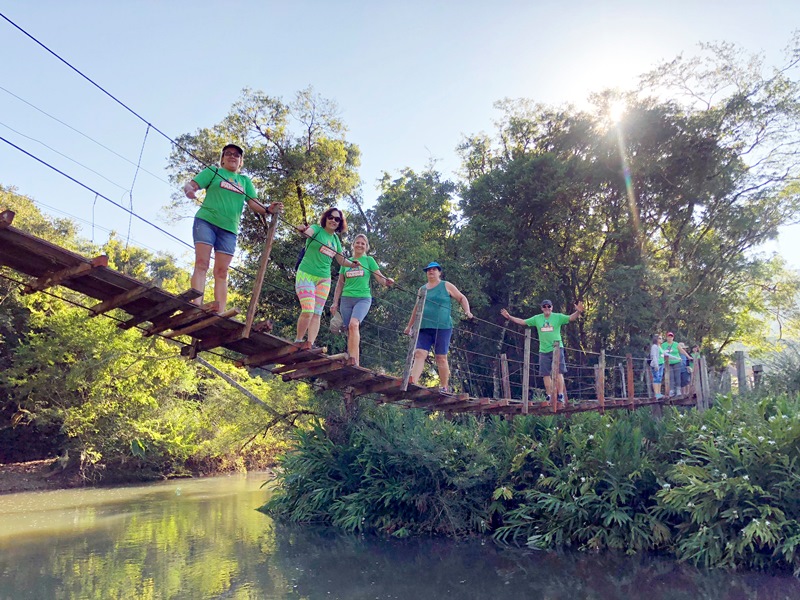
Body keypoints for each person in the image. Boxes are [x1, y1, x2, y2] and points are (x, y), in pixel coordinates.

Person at [184, 143, 283, 312]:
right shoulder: (214, 172)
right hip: (206, 222)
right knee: (202, 263)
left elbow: (254, 202)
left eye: (236, 155)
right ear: (222, 159)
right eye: (228, 153)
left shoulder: (244, 181)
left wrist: (268, 209)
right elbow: (191, 185)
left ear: (240, 162)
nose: (232, 156)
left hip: (229, 230)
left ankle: (219, 311)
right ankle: (196, 305)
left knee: (222, 271)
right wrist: (189, 190)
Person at [294, 207, 360, 348]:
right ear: (326, 218)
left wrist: (352, 265)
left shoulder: (336, 240)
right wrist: (302, 230)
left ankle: (309, 344)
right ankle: (299, 340)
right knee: (308, 310)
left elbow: (341, 260)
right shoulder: (317, 229)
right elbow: (307, 233)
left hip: (324, 279)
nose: (333, 220)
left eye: (337, 219)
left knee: (317, 313)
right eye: (331, 217)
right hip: (306, 274)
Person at [404, 262, 473, 393]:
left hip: (443, 327)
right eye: (428, 270)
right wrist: (409, 326)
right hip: (424, 327)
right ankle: (412, 381)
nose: (431, 272)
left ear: (439, 272)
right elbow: (417, 308)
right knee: (419, 353)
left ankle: (444, 386)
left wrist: (467, 311)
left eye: (434, 270)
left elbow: (461, 298)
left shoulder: (446, 285)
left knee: (441, 357)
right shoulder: (422, 289)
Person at [501, 299, 585, 404]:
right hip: (544, 350)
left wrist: (578, 312)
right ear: (542, 308)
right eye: (544, 307)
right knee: (545, 374)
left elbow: (571, 318)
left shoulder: (558, 317)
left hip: (557, 348)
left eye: (548, 306)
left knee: (559, 372)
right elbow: (523, 322)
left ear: (552, 307)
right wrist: (509, 317)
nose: (547, 309)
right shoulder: (537, 319)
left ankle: (560, 395)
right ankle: (549, 396)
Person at [330, 234, 394, 366]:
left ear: (366, 247)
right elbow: (340, 284)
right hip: (346, 299)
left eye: (363, 244)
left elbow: (380, 278)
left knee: (354, 324)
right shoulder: (346, 262)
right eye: (357, 243)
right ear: (353, 245)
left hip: (363, 299)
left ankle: (354, 361)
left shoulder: (369, 260)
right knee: (349, 330)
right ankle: (353, 361)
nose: (360, 245)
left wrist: (387, 282)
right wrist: (335, 302)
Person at [661, 332, 691, 397]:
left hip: (677, 362)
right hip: (668, 363)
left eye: (671, 337)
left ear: (673, 337)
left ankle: (678, 390)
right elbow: (660, 352)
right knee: (670, 376)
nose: (670, 338)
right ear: (666, 337)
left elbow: (682, 351)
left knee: (677, 376)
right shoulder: (663, 345)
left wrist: (688, 357)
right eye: (668, 336)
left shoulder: (676, 344)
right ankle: (671, 390)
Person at [649, 334, 665, 398]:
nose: (661, 340)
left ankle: (659, 393)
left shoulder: (659, 347)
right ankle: (656, 394)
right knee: (656, 378)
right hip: (656, 365)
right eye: (660, 338)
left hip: (661, 364)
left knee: (659, 378)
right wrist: (656, 365)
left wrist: (676, 357)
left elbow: (665, 354)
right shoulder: (654, 346)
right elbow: (654, 356)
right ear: (656, 339)